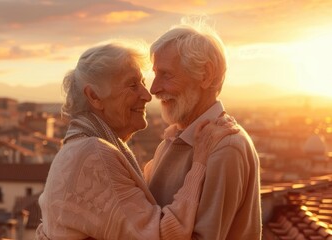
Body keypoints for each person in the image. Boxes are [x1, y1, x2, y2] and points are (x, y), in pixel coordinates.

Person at [36, 42, 239, 240]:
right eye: (133, 85)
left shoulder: (77, 147)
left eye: (142, 82)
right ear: (94, 96)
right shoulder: (94, 153)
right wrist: (200, 161)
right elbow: (163, 234)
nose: (147, 95)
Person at [144, 22, 262, 240]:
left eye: (166, 74)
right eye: (154, 74)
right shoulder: (171, 141)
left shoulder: (225, 148)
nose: (153, 89)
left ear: (205, 74)